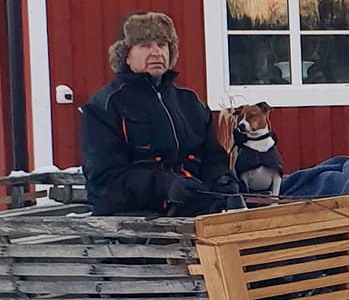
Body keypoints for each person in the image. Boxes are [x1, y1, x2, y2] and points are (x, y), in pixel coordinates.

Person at [79, 12, 244, 216]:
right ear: (126, 56)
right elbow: (105, 179)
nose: (156, 52)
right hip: (132, 216)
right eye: (145, 45)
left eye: (162, 45)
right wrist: (164, 187)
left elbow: (212, 157)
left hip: (192, 208)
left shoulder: (190, 102)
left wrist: (221, 179)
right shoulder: (103, 106)